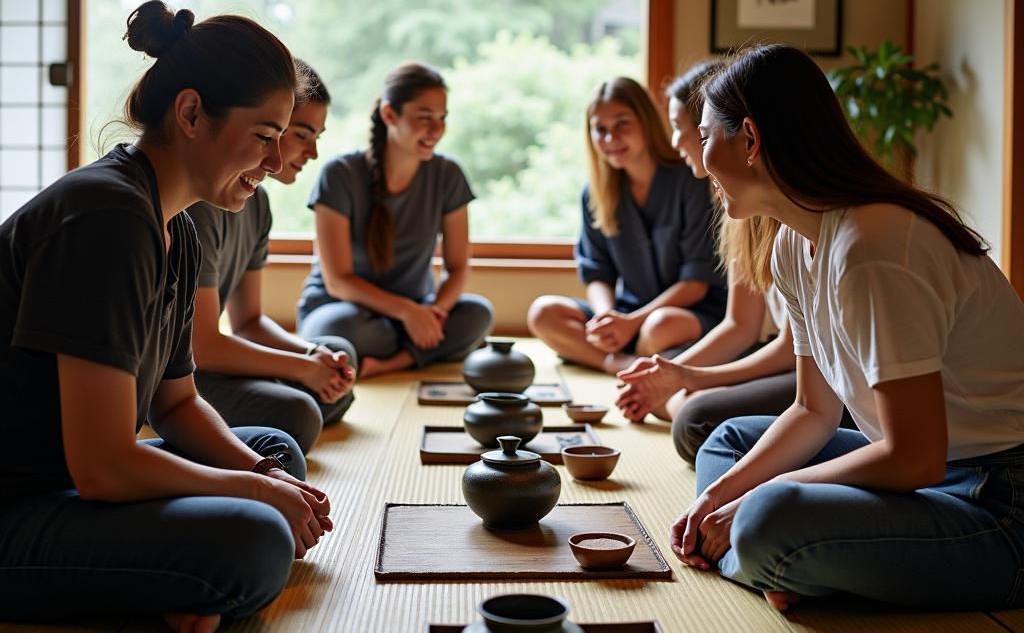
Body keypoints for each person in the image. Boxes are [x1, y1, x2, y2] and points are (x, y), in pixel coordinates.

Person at [0, 0, 334, 633]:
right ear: (190, 114)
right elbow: (102, 464)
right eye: (265, 136)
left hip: (66, 481)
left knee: (274, 453)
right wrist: (257, 499)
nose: (273, 163)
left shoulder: (175, 225)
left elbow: (177, 402)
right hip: (22, 501)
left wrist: (259, 478)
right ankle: (169, 577)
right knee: (256, 538)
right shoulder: (107, 218)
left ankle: (165, 576)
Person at [670, 43, 1024, 613]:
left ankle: (781, 559)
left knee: (766, 514)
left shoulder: (875, 248)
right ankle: (789, 564)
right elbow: (814, 411)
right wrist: (717, 498)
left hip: (997, 501)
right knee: (728, 443)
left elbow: (915, 457)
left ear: (752, 140)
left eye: (707, 135)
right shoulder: (792, 244)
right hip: (923, 479)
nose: (700, 156)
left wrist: (757, 498)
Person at [616, 62, 855, 462]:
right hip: (811, 378)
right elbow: (739, 324)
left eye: (688, 129)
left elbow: (792, 356)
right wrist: (675, 378)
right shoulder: (749, 216)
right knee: (681, 395)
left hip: (834, 383)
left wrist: (685, 381)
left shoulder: (809, 225)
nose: (675, 142)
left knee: (692, 416)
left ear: (746, 137)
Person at [188, 60, 355, 454]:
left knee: (336, 362)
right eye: (301, 134)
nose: (312, 152)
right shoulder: (202, 204)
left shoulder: (256, 203)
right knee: (300, 413)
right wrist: (302, 368)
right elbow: (204, 346)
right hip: (176, 372)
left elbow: (248, 321)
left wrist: (312, 356)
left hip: (208, 360)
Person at [296, 61, 493, 377]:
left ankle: (392, 362)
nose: (436, 130)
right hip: (345, 311)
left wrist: (434, 314)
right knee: (337, 330)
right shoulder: (340, 175)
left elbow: (458, 268)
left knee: (479, 313)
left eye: (442, 119)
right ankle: (418, 350)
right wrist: (407, 313)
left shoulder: (448, 175)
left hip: (416, 311)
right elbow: (338, 281)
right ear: (390, 115)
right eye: (425, 118)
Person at [529, 76, 726, 376]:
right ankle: (619, 364)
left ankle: (629, 357)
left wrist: (632, 323)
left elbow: (695, 283)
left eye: (622, 124)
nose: (611, 139)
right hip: (626, 314)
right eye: (601, 130)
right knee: (542, 313)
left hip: (687, 314)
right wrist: (606, 317)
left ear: (645, 121)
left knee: (660, 327)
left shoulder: (690, 179)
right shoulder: (595, 193)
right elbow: (597, 272)